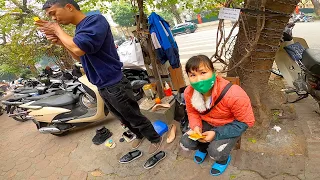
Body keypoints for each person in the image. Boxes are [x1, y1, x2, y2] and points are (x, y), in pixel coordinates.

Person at [35, 0, 162, 154]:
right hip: (102, 85)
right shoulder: (79, 29)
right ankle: (139, 134)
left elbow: (79, 48)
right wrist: (62, 43)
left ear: (69, 7)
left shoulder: (95, 20)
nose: (53, 19)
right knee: (122, 117)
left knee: (133, 115)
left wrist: (57, 30)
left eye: (53, 13)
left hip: (115, 83)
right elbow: (78, 57)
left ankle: (155, 139)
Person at [180, 55, 255, 176]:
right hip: (206, 122)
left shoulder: (234, 94)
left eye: (203, 72)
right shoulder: (189, 92)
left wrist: (216, 133)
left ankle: (223, 159)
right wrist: (196, 127)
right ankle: (203, 148)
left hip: (228, 125)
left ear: (214, 72)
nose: (198, 79)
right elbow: (192, 112)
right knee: (186, 142)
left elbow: (246, 122)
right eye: (193, 75)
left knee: (215, 152)